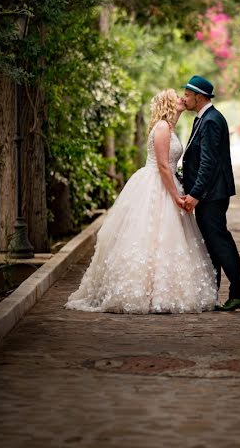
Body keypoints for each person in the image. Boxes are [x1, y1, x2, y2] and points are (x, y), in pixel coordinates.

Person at [65, 89, 217, 314]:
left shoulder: (169, 127)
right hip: (157, 184)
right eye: (177, 96)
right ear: (168, 103)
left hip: (166, 182)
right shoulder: (163, 127)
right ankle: (145, 291)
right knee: (149, 236)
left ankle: (159, 290)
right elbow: (164, 166)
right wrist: (175, 195)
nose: (182, 99)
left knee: (163, 239)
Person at [180, 75, 240, 311]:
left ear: (199, 97)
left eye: (188, 95)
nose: (185, 98)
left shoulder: (210, 120)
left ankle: (239, 293)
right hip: (210, 194)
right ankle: (213, 293)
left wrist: (196, 194)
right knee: (212, 244)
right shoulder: (204, 118)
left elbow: (208, 163)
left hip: (212, 195)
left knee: (220, 243)